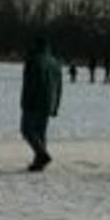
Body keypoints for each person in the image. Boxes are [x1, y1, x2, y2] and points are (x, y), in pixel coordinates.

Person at [20, 36, 62, 172]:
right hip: (49, 102)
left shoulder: (34, 60)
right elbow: (59, 86)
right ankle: (39, 162)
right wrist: (56, 105)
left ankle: (42, 155)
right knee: (40, 132)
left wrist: (26, 101)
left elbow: (30, 84)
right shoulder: (55, 62)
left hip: (33, 102)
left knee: (27, 130)